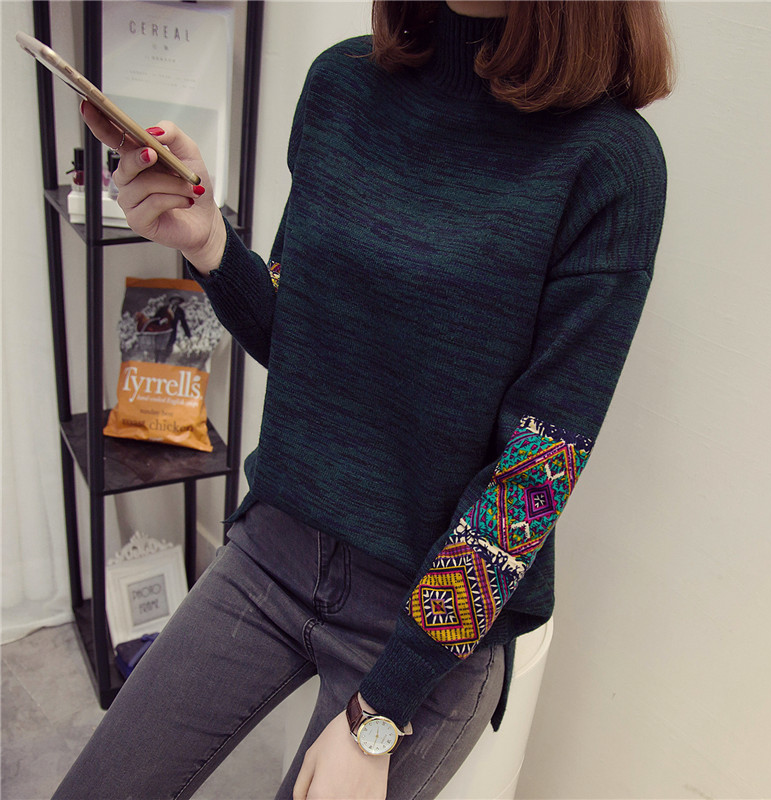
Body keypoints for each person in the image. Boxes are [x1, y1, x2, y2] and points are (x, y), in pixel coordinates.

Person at [54, 1, 673, 798]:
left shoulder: (610, 163)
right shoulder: (341, 86)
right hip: (274, 548)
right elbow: (300, 338)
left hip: (429, 622)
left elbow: (535, 475)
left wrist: (380, 713)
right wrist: (208, 242)